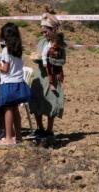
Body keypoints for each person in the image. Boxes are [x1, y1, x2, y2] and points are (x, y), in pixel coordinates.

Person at [0, 23, 31, 146]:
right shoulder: (18, 49)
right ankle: (18, 137)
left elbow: (6, 69)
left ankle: (8, 137)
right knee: (15, 110)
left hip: (8, 84)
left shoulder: (6, 50)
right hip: (19, 83)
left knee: (8, 110)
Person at [29, 13, 66, 143]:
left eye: (46, 31)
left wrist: (50, 60)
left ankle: (49, 130)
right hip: (40, 75)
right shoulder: (41, 42)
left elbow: (62, 61)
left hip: (52, 77)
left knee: (51, 102)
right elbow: (38, 54)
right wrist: (37, 58)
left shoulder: (59, 44)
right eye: (43, 32)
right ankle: (40, 128)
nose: (44, 34)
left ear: (52, 30)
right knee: (36, 100)